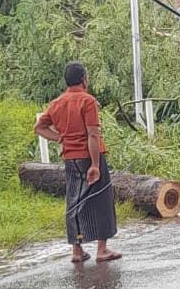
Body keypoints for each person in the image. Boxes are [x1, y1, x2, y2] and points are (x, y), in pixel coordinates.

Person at [35, 62, 121, 264]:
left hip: (70, 159)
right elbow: (92, 134)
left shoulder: (57, 103)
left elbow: (39, 128)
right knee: (101, 201)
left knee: (74, 201)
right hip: (89, 156)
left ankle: (77, 250)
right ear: (84, 79)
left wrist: (60, 138)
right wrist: (95, 165)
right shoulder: (87, 101)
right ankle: (102, 249)